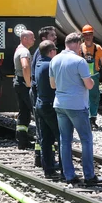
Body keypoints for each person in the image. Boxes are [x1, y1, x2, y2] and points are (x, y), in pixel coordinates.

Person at [50, 32, 102, 185]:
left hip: (60, 104)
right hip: (77, 105)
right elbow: (89, 85)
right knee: (86, 139)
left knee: (65, 140)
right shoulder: (80, 62)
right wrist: (90, 81)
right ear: (78, 44)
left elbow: (53, 85)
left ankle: (69, 175)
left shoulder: (55, 60)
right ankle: (89, 176)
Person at [34, 39, 63, 178]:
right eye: (55, 50)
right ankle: (65, 168)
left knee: (45, 138)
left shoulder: (39, 64)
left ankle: (48, 169)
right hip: (51, 105)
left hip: (40, 104)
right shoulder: (50, 65)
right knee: (61, 136)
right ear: (51, 51)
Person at [31, 26, 58, 167]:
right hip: (42, 97)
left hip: (40, 97)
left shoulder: (40, 56)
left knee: (43, 133)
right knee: (46, 133)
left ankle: (43, 161)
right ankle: (44, 160)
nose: (55, 37)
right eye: (52, 35)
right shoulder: (43, 58)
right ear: (44, 39)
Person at [79, 25, 102, 130]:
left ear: (92, 35)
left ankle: (92, 119)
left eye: (90, 34)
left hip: (94, 77)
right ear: (83, 35)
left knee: (94, 98)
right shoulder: (80, 48)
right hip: (81, 77)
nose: (88, 37)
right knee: (82, 98)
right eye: (86, 34)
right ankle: (84, 119)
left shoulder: (97, 48)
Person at [14, 30, 35, 149]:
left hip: (18, 81)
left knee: (24, 112)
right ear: (25, 39)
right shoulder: (24, 51)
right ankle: (40, 141)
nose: (34, 40)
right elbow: (25, 66)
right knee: (34, 110)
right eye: (32, 38)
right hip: (23, 82)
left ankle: (22, 140)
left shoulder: (19, 49)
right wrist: (29, 83)